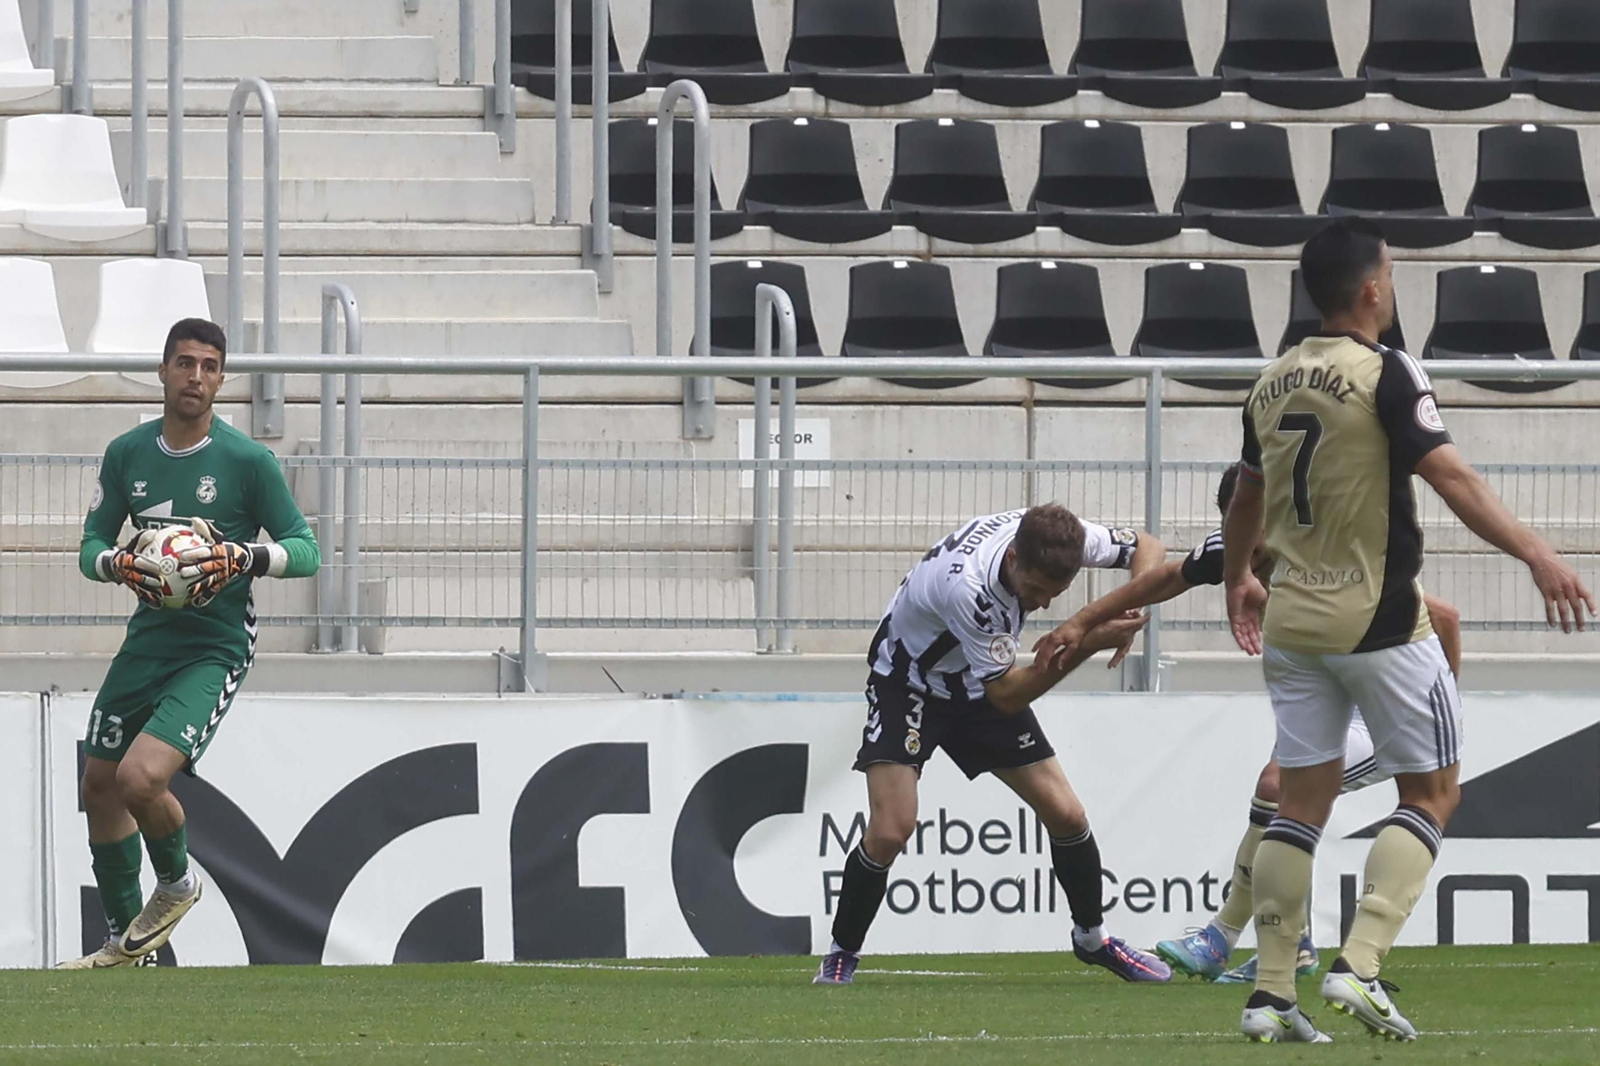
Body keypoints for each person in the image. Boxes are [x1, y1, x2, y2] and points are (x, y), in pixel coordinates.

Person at [1223, 219, 1591, 1042]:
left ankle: (1271, 995)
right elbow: (1450, 475)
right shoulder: (1387, 372)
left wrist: (1237, 577)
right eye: (1391, 274)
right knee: (1432, 793)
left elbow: (1244, 494)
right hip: (1380, 619)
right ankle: (1359, 967)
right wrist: (1538, 554)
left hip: (1291, 624)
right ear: (1372, 289)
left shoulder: (1272, 379)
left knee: (1300, 807)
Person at [1034, 464, 1462, 986]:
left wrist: (1436, 713)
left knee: (1280, 788)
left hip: (1384, 710)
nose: (1250, 547)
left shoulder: (1325, 551)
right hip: (1335, 702)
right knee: (1279, 794)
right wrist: (1080, 622)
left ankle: (1225, 938)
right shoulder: (1235, 549)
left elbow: (1444, 617)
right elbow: (1167, 576)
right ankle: (1290, 945)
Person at [813, 504, 1169, 986]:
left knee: (1067, 815)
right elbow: (1006, 695)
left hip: (975, 681)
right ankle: (841, 953)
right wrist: (1087, 642)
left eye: (1055, 594)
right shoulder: (971, 591)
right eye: (1037, 590)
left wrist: (1130, 605)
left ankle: (1093, 939)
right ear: (1014, 559)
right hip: (910, 682)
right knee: (891, 830)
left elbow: (1149, 547)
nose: (1042, 604)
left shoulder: (1060, 536)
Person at [61, 319, 321, 969]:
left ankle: (176, 884)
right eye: (184, 363)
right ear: (162, 370)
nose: (196, 377)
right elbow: (91, 543)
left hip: (215, 644)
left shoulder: (246, 461)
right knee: (99, 785)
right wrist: (116, 564)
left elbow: (306, 549)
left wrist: (244, 555)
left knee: (140, 777)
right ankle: (128, 949)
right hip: (150, 638)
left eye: (209, 366)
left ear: (222, 378)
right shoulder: (127, 454)